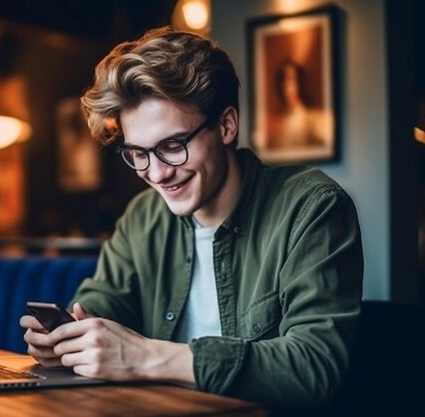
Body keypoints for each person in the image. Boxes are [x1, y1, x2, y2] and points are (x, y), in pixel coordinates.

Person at [20, 27, 363, 410]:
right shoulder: (143, 216)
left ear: (226, 125)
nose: (157, 173)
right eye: (139, 154)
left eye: (172, 146)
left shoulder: (312, 207)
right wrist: (70, 339)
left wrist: (147, 357)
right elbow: (102, 301)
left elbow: (315, 367)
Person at [267, 59, 332, 149]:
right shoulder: (275, 127)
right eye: (282, 80)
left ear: (299, 83)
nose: (285, 85)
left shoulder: (315, 120)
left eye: (290, 79)